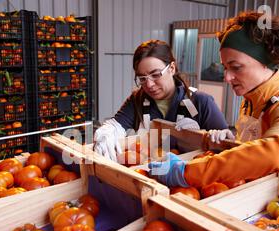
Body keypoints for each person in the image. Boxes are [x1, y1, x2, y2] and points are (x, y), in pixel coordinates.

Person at [149, 11, 279, 188]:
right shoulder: (250, 102)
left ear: (266, 62)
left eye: (236, 67)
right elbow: (254, 152)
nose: (227, 77)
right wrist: (233, 144)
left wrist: (188, 172)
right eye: (225, 68)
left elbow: (277, 152)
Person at [93, 40, 229, 161]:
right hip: (149, 179)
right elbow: (117, 125)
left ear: (172, 68)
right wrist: (107, 132)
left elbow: (228, 149)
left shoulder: (200, 102)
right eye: (142, 78)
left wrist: (200, 136)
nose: (149, 85)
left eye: (156, 75)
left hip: (191, 180)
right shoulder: (137, 100)